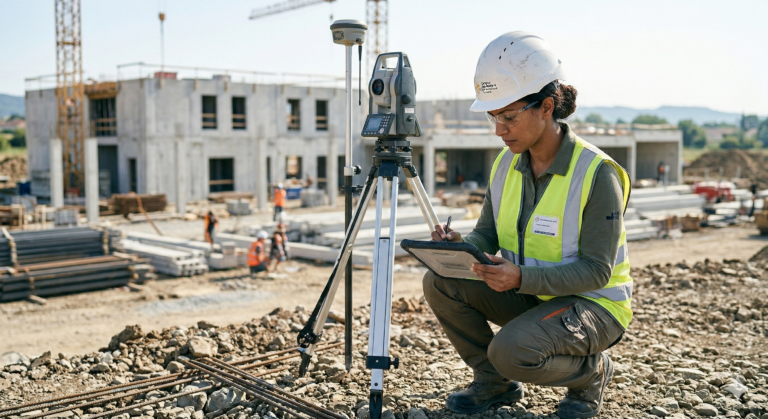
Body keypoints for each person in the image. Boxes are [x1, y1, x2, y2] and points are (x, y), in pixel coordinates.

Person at [423, 32, 631, 419]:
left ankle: (591, 372)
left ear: (546, 107)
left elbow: (597, 271)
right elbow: (488, 233)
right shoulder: (505, 164)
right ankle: (494, 383)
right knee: (440, 281)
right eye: (493, 117)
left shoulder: (596, 173)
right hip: (533, 294)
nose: (499, 130)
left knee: (510, 352)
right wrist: (461, 245)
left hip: (593, 305)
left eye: (509, 117)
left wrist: (520, 278)